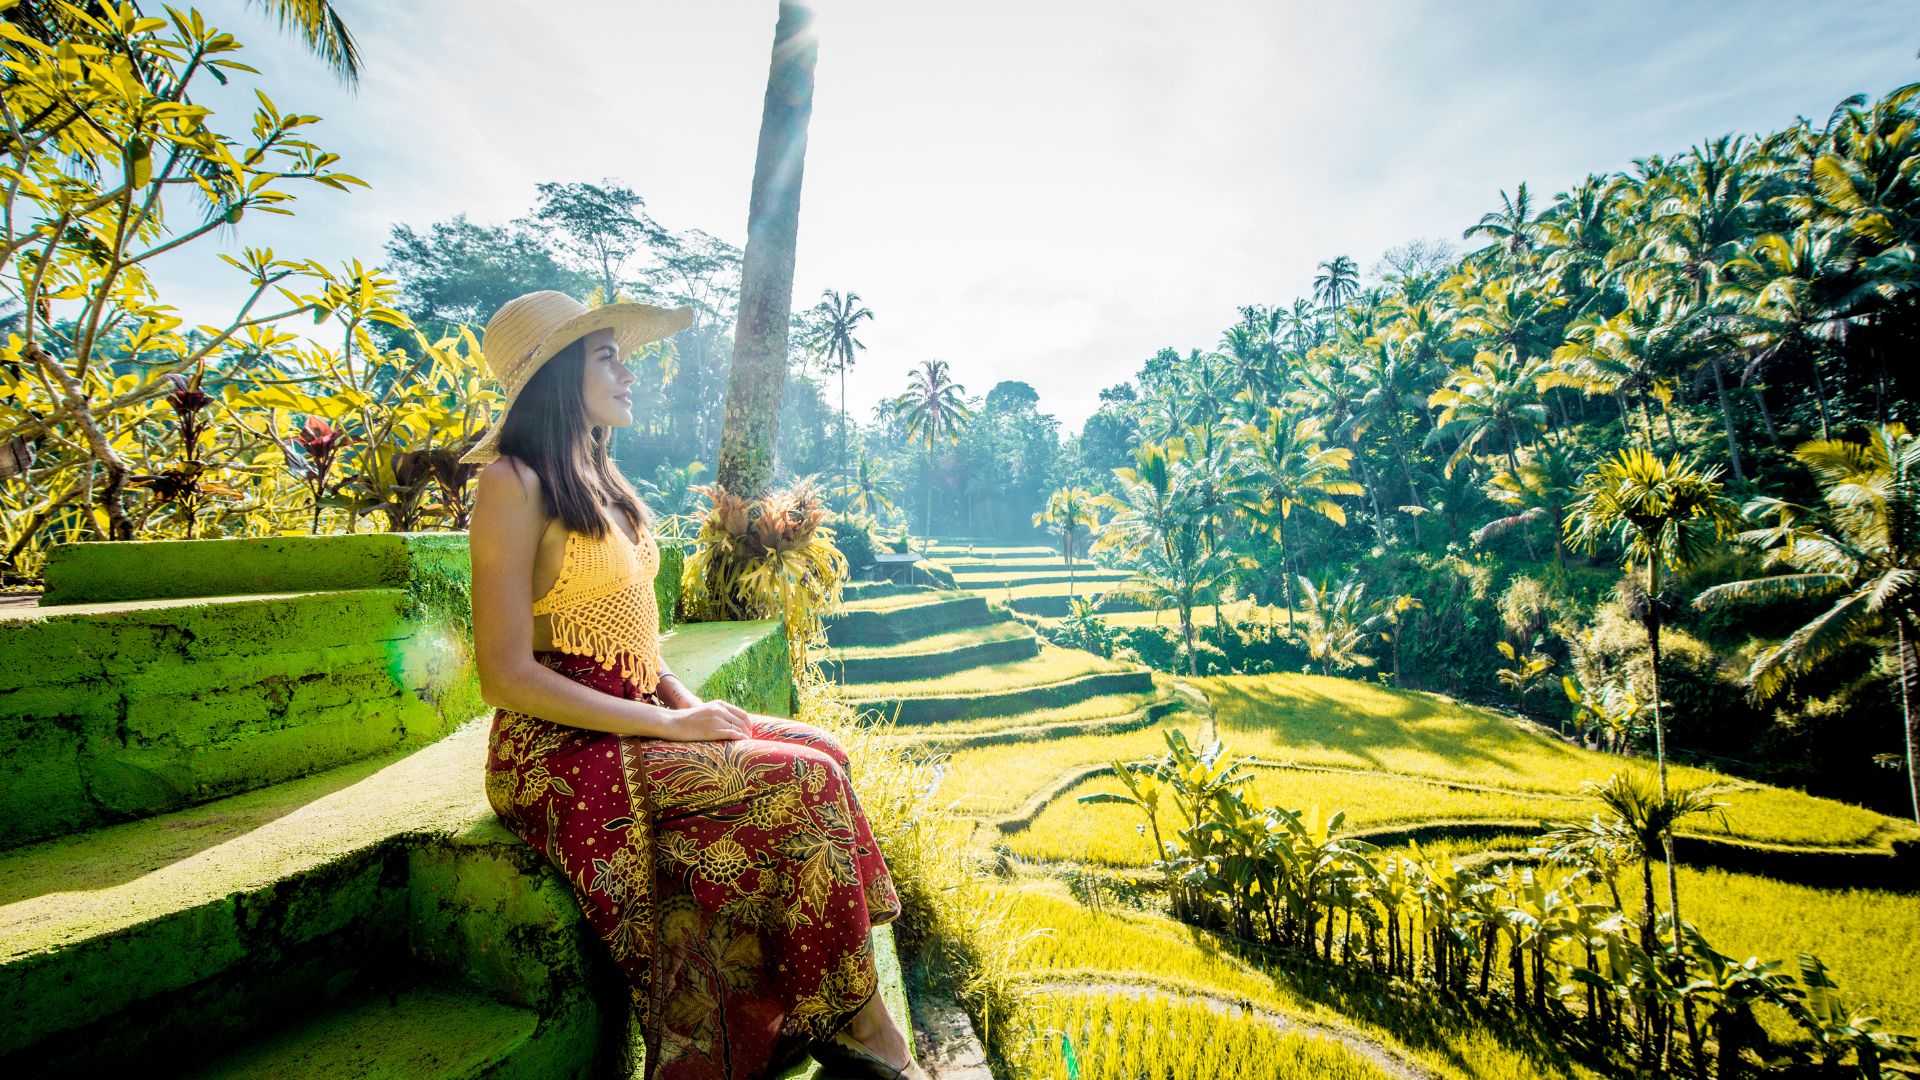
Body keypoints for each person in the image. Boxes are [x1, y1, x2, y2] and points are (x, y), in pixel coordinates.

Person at [464, 291, 923, 1079]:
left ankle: (841, 1015)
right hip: (553, 748)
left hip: (634, 713)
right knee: (801, 783)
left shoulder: (601, 478)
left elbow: (634, 637)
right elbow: (505, 676)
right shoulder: (512, 483)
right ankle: (863, 1028)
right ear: (555, 373)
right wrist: (668, 729)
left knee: (822, 750)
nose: (628, 370)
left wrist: (681, 702)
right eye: (606, 355)